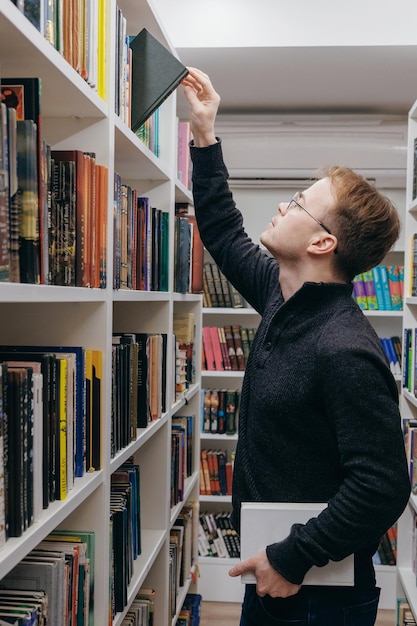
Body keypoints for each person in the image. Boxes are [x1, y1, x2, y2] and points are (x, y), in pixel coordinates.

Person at [182, 67, 411, 626]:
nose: (283, 207)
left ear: (322, 241)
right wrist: (205, 136)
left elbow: (383, 486)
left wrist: (293, 557)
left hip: (314, 592)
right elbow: (222, 230)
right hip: (276, 569)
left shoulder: (344, 348)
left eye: (297, 203)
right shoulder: (283, 298)